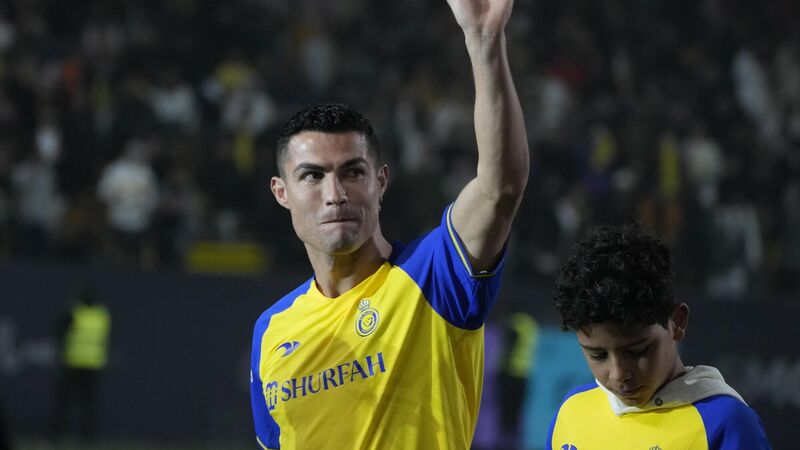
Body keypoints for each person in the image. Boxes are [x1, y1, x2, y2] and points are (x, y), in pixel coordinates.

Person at [249, 0, 529, 447]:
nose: (335, 193)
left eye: (352, 172)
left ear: (380, 182)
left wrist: (484, 41)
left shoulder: (433, 275)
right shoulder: (271, 330)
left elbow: (500, 189)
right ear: (281, 192)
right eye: (313, 176)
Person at [547, 223, 771, 449]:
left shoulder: (725, 423)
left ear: (677, 322)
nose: (618, 374)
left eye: (637, 352)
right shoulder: (571, 412)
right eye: (598, 356)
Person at [49, 283, 112, 443]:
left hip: (73, 364)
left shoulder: (74, 312)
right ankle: (86, 438)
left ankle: (57, 436)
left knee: (65, 403)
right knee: (87, 405)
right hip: (92, 365)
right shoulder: (102, 315)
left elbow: (58, 333)